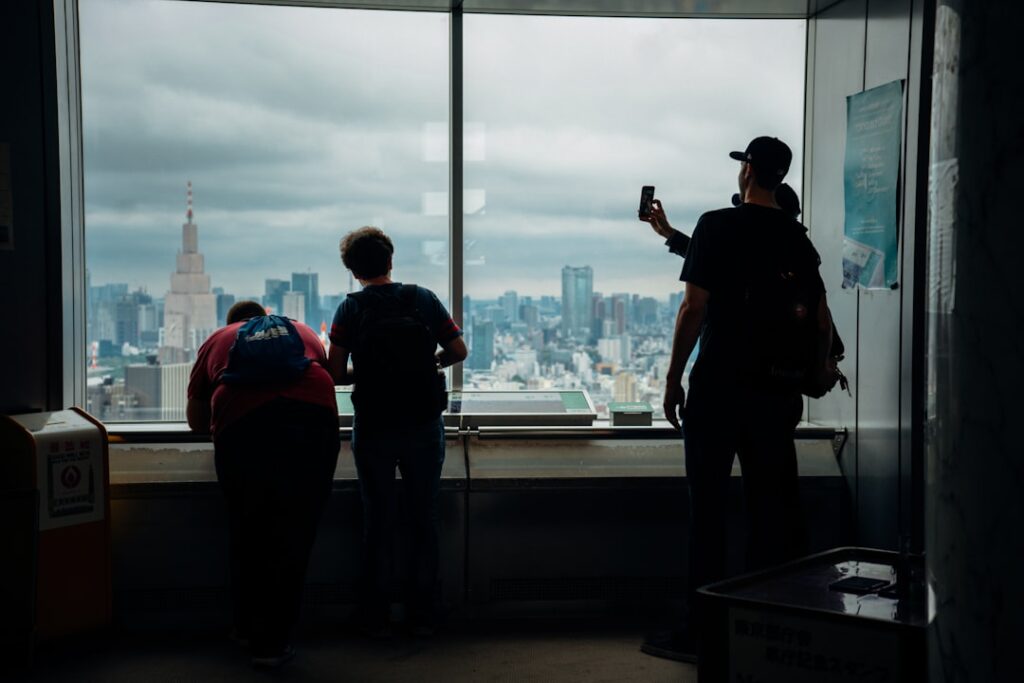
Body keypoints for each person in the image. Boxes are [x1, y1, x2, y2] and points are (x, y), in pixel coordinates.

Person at [639, 137, 835, 662]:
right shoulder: (796, 237)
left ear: (747, 170)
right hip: (776, 396)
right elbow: (816, 314)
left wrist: (672, 378)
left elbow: (694, 308)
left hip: (719, 391)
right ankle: (761, 628)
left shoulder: (716, 225)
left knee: (707, 513)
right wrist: (670, 235)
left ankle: (703, 631)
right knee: (767, 512)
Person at [326, 226, 467, 637]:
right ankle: (426, 609)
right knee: (424, 514)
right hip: (423, 423)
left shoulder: (349, 309)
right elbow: (458, 351)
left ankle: (377, 611)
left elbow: (334, 373)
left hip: (374, 426)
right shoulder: (421, 298)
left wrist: (367, 372)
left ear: (353, 271)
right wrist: (427, 365)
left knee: (378, 516)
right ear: (391, 261)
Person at [187, 300, 340, 668]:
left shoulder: (218, 339)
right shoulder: (301, 330)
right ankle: (275, 640)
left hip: (244, 425)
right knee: (296, 531)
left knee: (248, 528)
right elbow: (326, 371)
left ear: (233, 323)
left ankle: (247, 629)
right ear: (264, 315)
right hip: (313, 419)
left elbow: (196, 420)